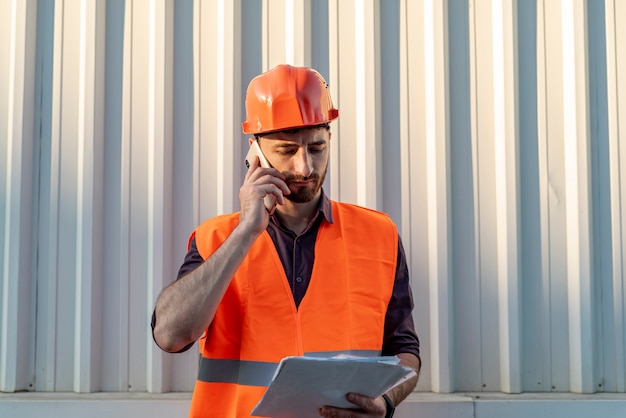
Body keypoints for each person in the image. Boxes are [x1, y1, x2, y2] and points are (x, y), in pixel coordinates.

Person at [152, 64, 421, 418]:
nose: (305, 167)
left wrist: (385, 403)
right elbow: (170, 336)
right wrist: (246, 230)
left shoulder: (378, 234)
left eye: (316, 148)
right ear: (255, 153)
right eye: (285, 150)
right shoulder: (216, 238)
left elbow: (405, 351)